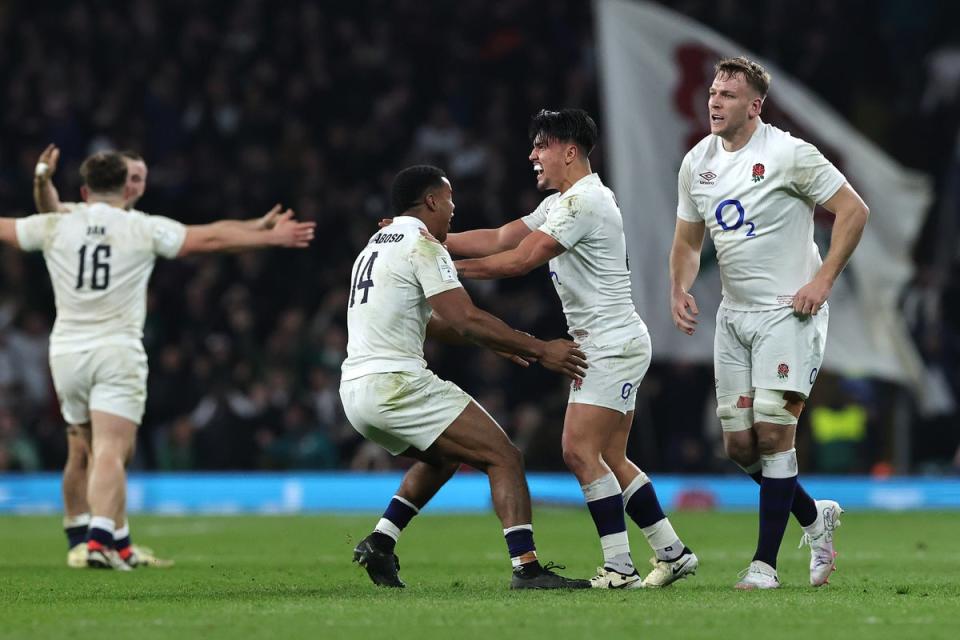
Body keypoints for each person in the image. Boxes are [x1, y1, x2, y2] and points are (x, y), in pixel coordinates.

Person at [2, 150, 315, 570]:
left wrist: (41, 177)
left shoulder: (59, 223)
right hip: (116, 349)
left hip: (66, 353)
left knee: (85, 447)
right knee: (112, 451)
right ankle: (97, 542)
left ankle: (113, 542)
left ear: (84, 190)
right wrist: (268, 237)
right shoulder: (143, 228)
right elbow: (207, 238)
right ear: (125, 185)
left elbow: (12, 225)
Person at [438, 109, 697, 589]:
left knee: (578, 451)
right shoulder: (566, 201)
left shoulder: (584, 204)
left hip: (608, 343)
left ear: (570, 152)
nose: (533, 155)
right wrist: (430, 238)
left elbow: (520, 260)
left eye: (541, 145)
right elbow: (499, 237)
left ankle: (619, 567)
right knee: (612, 459)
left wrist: (440, 270)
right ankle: (672, 552)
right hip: (609, 340)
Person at [669, 56, 869, 589]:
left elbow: (854, 210)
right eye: (713, 92)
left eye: (728, 95)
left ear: (754, 106)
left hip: (790, 311)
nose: (714, 100)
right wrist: (679, 286)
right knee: (740, 447)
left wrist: (822, 280)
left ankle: (764, 567)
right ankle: (813, 516)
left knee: (776, 433)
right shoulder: (697, 163)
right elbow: (690, 239)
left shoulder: (789, 153)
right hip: (733, 318)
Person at [342, 165, 590, 590]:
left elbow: (433, 323)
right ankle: (526, 568)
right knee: (505, 456)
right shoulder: (423, 246)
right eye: (450, 199)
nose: (454, 209)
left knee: (442, 457)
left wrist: (500, 344)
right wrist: (539, 347)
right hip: (396, 384)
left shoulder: (372, 247)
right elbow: (465, 317)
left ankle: (381, 541)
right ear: (433, 201)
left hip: (355, 391)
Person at [34, 144, 184, 568]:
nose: (136, 184)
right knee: (85, 450)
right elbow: (50, 214)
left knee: (115, 450)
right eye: (130, 177)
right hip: (86, 346)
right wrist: (42, 181)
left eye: (141, 178)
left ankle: (117, 539)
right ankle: (81, 538)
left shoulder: (137, 226)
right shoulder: (87, 221)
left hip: (100, 346)